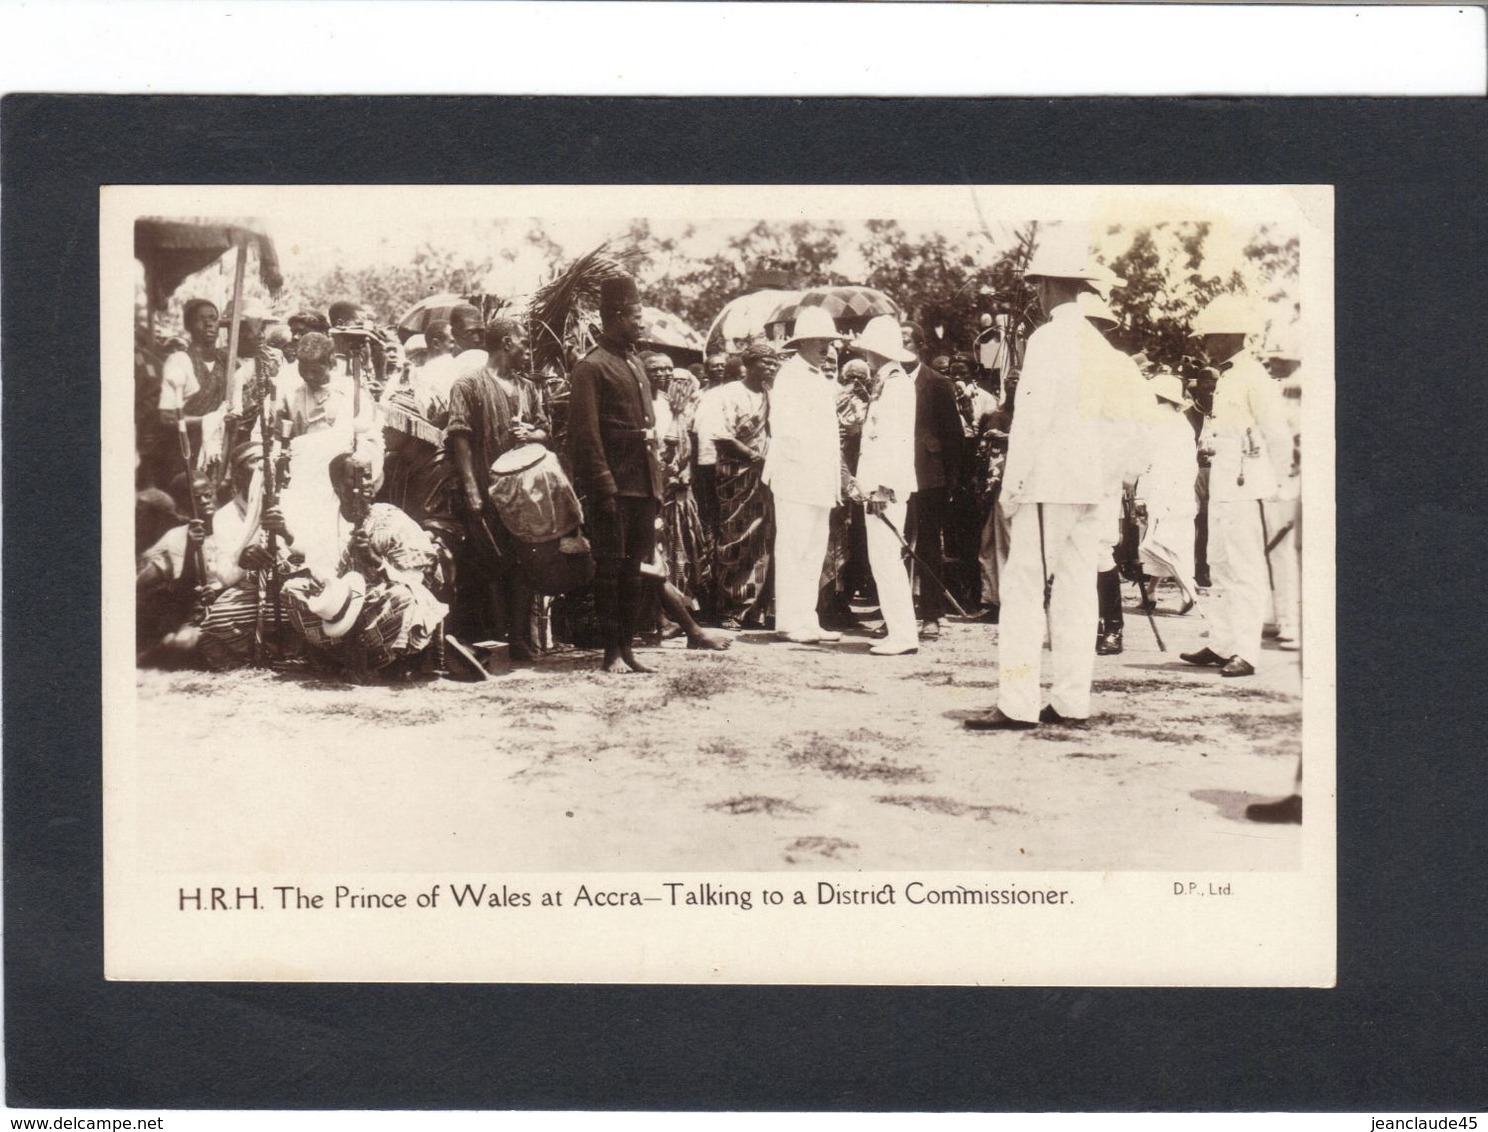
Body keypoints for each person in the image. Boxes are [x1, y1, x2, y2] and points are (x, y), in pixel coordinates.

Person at [966, 232, 1111, 730]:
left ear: (1047, 286)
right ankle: (1071, 701)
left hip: (1050, 483)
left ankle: (1017, 703)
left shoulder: (1048, 340)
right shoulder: (1098, 342)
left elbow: (1030, 420)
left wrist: (1011, 489)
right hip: (1091, 484)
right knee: (1076, 592)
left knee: (1025, 591)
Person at [1177, 295, 1293, 678]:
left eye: (1209, 337)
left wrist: (1274, 484)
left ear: (1228, 337)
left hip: (1248, 486)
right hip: (1224, 485)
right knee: (1219, 565)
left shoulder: (1255, 377)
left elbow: (1276, 435)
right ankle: (1221, 642)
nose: (1204, 345)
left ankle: (1246, 652)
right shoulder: (1226, 377)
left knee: (1245, 569)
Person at [567, 275, 668, 672]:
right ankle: (611, 653)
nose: (642, 324)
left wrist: (655, 486)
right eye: (637, 316)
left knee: (633, 572)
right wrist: (604, 488)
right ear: (617, 316)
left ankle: (627, 648)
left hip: (643, 485)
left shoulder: (635, 363)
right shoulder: (591, 367)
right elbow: (585, 437)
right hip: (615, 488)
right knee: (609, 570)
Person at [272, 451, 447, 680]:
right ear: (336, 485)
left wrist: (374, 559)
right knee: (293, 590)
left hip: (379, 604)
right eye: (353, 478)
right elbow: (316, 562)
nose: (363, 484)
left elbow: (415, 580)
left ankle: (377, 661)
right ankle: (341, 655)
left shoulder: (391, 518)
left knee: (403, 599)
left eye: (366, 477)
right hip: (340, 609)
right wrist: (325, 587)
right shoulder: (325, 521)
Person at [445, 316, 550, 661]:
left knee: (523, 564)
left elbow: (545, 432)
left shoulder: (528, 388)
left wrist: (531, 434)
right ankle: (492, 640)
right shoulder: (468, 385)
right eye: (523, 344)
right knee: (487, 564)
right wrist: (472, 490)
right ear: (506, 343)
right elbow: (460, 437)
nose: (527, 352)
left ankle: (518, 638)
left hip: (523, 494)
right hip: (486, 491)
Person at [763, 307, 844, 644]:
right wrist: (806, 472)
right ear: (803, 342)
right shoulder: (791, 375)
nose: (826, 346)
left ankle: (807, 618)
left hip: (819, 479)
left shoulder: (819, 377)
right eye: (819, 340)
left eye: (828, 341)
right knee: (794, 547)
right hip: (796, 478)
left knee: (813, 550)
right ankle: (789, 621)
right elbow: (786, 432)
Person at [848, 316, 920, 656]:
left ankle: (904, 635)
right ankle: (899, 629)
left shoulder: (897, 385)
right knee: (883, 560)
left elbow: (897, 441)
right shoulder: (886, 382)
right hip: (877, 486)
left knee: (887, 560)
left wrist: (882, 487)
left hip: (886, 490)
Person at [709, 340, 779, 631]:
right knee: (735, 539)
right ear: (748, 364)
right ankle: (729, 608)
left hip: (764, 477)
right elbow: (720, 436)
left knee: (762, 540)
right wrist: (753, 456)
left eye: (774, 362)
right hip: (736, 474)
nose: (771, 366)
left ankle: (754, 609)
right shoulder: (728, 394)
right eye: (765, 361)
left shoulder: (771, 394)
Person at [903, 322, 967, 641]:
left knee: (928, 545)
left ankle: (931, 615)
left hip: (929, 476)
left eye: (907, 342)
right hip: (896, 473)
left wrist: (952, 483)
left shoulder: (937, 383)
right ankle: (897, 614)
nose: (902, 348)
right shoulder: (885, 381)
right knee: (897, 545)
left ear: (920, 346)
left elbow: (954, 435)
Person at [157, 298, 226, 477]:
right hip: (184, 452)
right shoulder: (179, 361)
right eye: (200, 319)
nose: (209, 323)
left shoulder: (226, 361)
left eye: (213, 318)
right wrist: (208, 421)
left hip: (217, 453)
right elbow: (167, 418)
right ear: (188, 326)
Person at [414, 318, 459, 422]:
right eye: (452, 342)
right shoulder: (450, 367)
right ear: (436, 344)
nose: (457, 346)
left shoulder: (418, 372)